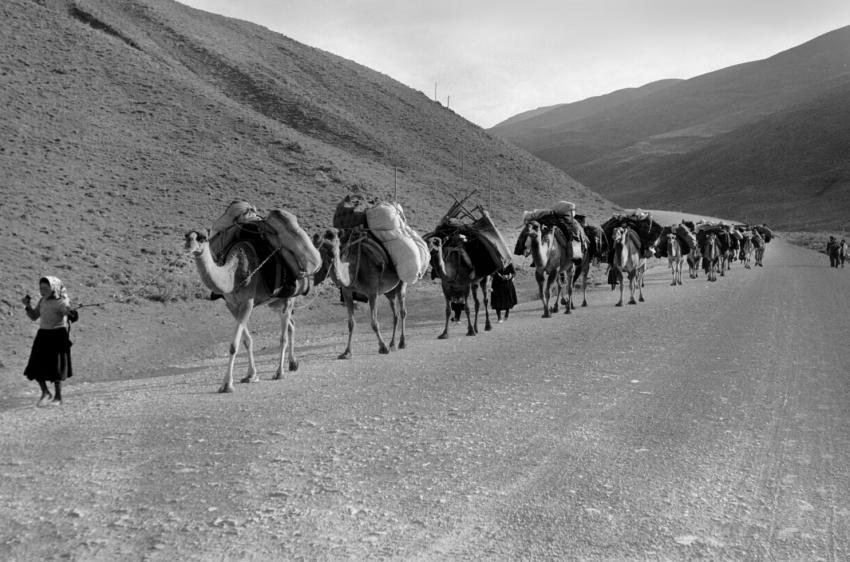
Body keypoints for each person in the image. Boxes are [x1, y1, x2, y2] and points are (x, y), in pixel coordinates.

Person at [22, 276, 75, 406]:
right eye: (41, 288)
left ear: (54, 288)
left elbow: (69, 314)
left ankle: (58, 397)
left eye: (45, 288)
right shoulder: (42, 300)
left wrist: (71, 312)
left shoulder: (61, 301)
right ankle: (45, 392)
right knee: (35, 365)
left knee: (55, 367)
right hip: (43, 335)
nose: (42, 291)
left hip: (57, 336)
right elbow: (34, 316)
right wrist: (27, 305)